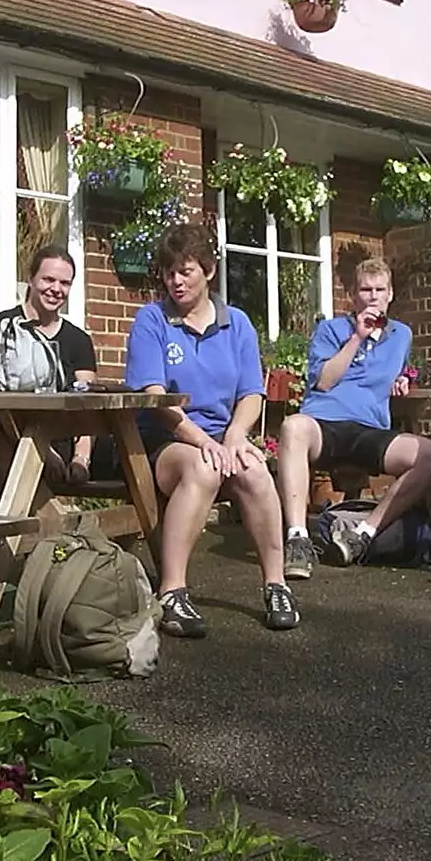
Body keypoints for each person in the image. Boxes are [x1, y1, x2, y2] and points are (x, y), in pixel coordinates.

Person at [123, 223, 299, 638]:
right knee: (203, 467)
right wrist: (205, 442)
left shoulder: (236, 324)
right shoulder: (152, 320)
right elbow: (155, 397)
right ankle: (172, 592)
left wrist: (236, 438)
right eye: (169, 272)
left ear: (209, 270)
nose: (176, 281)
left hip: (223, 436)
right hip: (164, 439)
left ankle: (277, 585)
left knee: (255, 471)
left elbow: (252, 393)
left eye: (185, 271)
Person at [276, 257, 431, 577]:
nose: (373, 296)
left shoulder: (401, 335)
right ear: (353, 295)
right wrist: (357, 336)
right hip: (324, 424)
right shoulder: (330, 330)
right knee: (292, 426)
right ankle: (297, 538)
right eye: (365, 290)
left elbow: (398, 371)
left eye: (380, 289)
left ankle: (363, 534)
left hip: (371, 429)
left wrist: (404, 378)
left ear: (390, 294)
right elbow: (324, 381)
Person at [0, 245, 100, 482]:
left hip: (60, 439)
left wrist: (81, 459)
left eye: (64, 283)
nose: (56, 289)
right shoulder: (1, 326)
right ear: (31, 279)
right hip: (7, 435)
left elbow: (87, 407)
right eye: (48, 279)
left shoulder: (78, 340)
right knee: (5, 464)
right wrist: (40, 451)